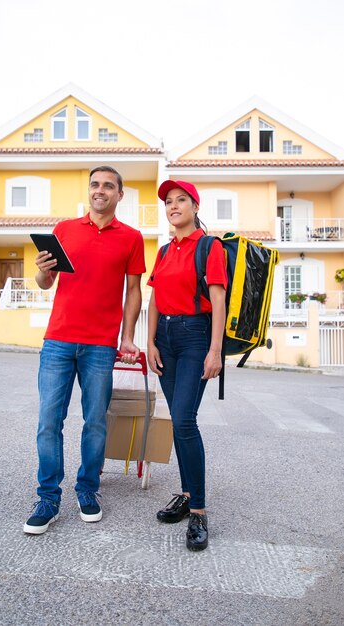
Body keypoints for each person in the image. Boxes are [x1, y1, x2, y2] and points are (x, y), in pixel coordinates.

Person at [24, 166, 146, 535]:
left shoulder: (132, 238)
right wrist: (42, 271)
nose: (100, 190)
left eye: (108, 186)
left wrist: (127, 336)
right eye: (95, 184)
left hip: (100, 344)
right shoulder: (64, 230)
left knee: (94, 422)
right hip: (58, 340)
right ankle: (48, 497)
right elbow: (46, 283)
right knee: (49, 421)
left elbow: (134, 291)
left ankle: (88, 490)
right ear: (89, 191)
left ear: (119, 195)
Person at [147, 180, 227, 551]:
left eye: (181, 200)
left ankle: (198, 510)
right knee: (178, 422)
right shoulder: (163, 251)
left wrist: (215, 351)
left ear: (195, 207)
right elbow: (155, 301)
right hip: (165, 338)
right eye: (168, 202)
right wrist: (149, 342)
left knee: (183, 421)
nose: (173, 206)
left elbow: (218, 300)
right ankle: (185, 492)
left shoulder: (210, 247)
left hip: (196, 335)